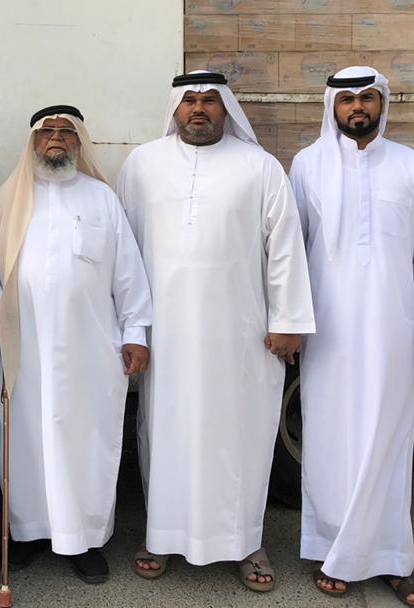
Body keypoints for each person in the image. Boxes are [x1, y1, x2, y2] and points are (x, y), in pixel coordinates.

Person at [116, 73, 314, 592]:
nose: (198, 109)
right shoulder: (141, 165)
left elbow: (285, 246)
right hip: (166, 335)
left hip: (240, 335)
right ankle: (160, 536)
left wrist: (288, 320)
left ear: (226, 109)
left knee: (239, 436)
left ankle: (246, 543)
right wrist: (129, 325)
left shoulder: (260, 166)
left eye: (209, 100)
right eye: (189, 101)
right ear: (175, 109)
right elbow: (123, 250)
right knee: (164, 432)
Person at [289, 67, 414, 607]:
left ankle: (392, 559)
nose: (356, 107)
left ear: (382, 103)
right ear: (332, 107)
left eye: (366, 97)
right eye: (346, 99)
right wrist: (290, 322)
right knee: (328, 437)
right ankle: (330, 548)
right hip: (327, 330)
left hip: (392, 327)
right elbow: (292, 253)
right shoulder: (306, 165)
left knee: (388, 438)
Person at [0, 105, 152, 584]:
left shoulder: (101, 198)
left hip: (90, 349)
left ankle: (83, 540)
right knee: (25, 438)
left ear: (79, 142)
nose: (55, 139)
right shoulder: (9, 197)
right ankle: (28, 533)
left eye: (66, 132)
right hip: (26, 346)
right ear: (33, 142)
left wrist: (136, 333)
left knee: (85, 439)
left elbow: (128, 273)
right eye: (47, 132)